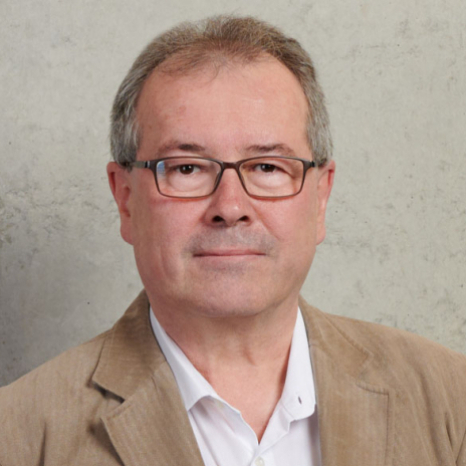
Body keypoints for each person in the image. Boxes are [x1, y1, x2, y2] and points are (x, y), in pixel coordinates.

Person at [1, 15, 465, 466]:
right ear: (126, 200)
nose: (230, 205)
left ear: (321, 198)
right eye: (186, 169)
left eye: (267, 167)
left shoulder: (450, 399)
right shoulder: (18, 434)